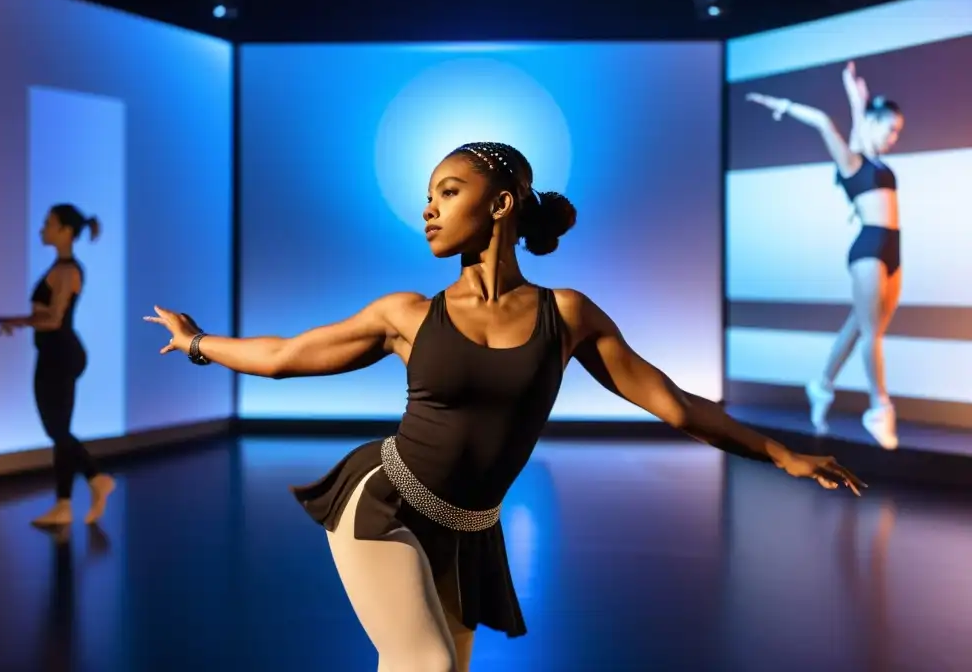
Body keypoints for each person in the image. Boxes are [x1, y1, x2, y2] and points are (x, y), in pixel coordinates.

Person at [145, 142, 864, 671]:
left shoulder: (568, 314)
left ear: (501, 203)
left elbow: (672, 404)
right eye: (428, 195)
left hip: (469, 529)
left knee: (444, 671)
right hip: (384, 503)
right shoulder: (406, 314)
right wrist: (199, 341)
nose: (429, 208)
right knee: (423, 665)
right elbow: (281, 358)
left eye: (448, 191)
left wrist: (780, 453)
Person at [746, 61, 904, 450]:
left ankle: (821, 385)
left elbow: (860, 133)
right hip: (868, 247)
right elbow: (821, 120)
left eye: (899, 132)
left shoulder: (870, 157)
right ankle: (879, 408)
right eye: (892, 129)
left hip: (893, 248)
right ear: (875, 123)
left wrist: (856, 98)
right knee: (871, 333)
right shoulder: (851, 162)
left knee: (860, 326)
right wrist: (781, 105)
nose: (895, 138)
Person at [0, 204, 115, 527]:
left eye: (48, 224)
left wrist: (20, 321)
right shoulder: (60, 268)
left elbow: (54, 318)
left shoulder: (69, 271)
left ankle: (96, 479)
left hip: (60, 354)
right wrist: (23, 321)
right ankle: (64, 503)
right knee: (58, 429)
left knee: (57, 429)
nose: (42, 229)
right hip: (55, 353)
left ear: (66, 231)